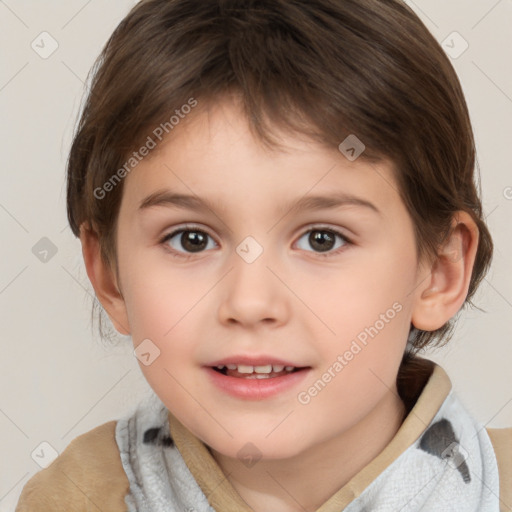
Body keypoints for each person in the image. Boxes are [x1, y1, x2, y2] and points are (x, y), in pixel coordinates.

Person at [16, 0, 511, 510]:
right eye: (191, 239)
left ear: (439, 272)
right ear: (111, 276)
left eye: (323, 239)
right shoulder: (74, 498)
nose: (250, 303)